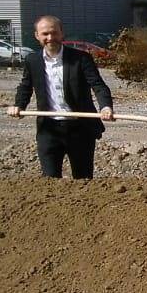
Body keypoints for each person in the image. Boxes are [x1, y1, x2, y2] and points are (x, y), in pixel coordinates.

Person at [7, 15, 114, 179]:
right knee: (50, 181)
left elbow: (98, 85)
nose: (50, 38)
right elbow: (25, 87)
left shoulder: (81, 59)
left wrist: (105, 107)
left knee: (83, 180)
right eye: (45, 34)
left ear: (61, 33)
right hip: (48, 130)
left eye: (54, 33)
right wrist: (18, 106)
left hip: (80, 129)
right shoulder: (32, 61)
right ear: (37, 36)